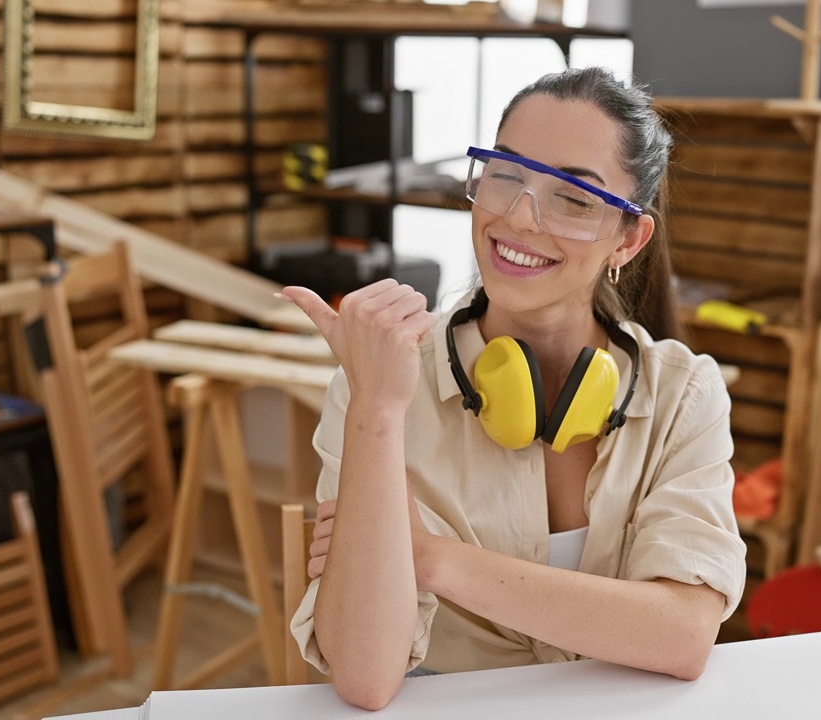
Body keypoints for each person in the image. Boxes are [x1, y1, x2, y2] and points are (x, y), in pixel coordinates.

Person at [278, 66, 746, 711]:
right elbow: (364, 677)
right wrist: (377, 413)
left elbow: (685, 634)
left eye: (574, 199)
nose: (521, 218)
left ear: (629, 238)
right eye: (506, 174)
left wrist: (430, 559)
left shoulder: (683, 394)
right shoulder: (385, 378)